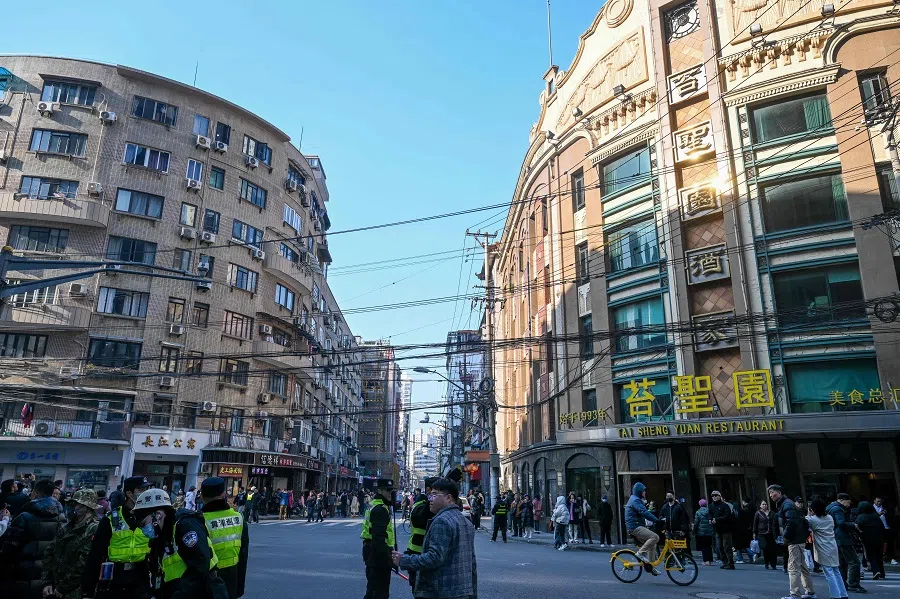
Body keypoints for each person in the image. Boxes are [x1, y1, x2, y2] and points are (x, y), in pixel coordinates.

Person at [132, 488, 227, 599]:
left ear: (158, 515)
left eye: (144, 524)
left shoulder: (186, 525)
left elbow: (199, 567)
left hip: (205, 591)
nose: (144, 529)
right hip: (180, 590)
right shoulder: (162, 536)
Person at [393, 478, 476, 599]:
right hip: (463, 592)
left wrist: (403, 560)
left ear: (448, 498)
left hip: (441, 591)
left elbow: (434, 558)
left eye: (434, 495)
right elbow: (472, 564)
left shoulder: (441, 521)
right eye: (430, 495)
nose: (430, 499)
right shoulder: (465, 522)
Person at [82, 475, 153, 599]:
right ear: (130, 493)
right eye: (142, 490)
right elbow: (95, 554)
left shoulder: (152, 518)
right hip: (114, 580)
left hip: (140, 579)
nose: (146, 493)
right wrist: (88, 589)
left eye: (147, 489)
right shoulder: (111, 519)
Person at [0, 479, 66, 599]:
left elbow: (9, 548)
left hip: (23, 572)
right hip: (48, 574)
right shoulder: (62, 517)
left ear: (35, 493)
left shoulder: (25, 516)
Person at [41, 489, 99, 599]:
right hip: (54, 588)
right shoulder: (67, 527)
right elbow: (49, 553)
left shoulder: (94, 529)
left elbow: (83, 563)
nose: (72, 506)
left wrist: (63, 587)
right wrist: (47, 582)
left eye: (76, 503)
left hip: (75, 592)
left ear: (87, 507)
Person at [199, 477, 249, 599]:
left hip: (206, 580)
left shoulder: (198, 520)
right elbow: (243, 555)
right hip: (232, 578)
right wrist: (239, 588)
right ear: (223, 494)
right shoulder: (238, 518)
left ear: (201, 496)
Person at [768, 484, 814, 599]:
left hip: (794, 540)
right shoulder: (787, 503)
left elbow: (791, 522)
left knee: (793, 567)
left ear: (778, 492)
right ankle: (810, 591)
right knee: (802, 566)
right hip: (798, 539)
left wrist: (786, 538)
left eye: (772, 492)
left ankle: (795, 594)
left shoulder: (786, 504)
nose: (770, 495)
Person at [807, 497, 849, 599]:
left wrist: (809, 513)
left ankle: (835, 595)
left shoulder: (812, 520)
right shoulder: (829, 517)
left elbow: (805, 521)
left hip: (823, 547)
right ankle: (843, 594)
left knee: (829, 573)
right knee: (836, 571)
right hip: (832, 546)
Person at [360, 479, 395, 599]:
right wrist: (388, 558)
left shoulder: (375, 504)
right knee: (379, 593)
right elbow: (378, 539)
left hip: (371, 552)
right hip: (378, 555)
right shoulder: (380, 509)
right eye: (387, 490)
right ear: (379, 490)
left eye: (391, 490)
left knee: (372, 590)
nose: (390, 493)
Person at [827, 492, 865, 593]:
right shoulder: (837, 509)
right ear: (842, 500)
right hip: (842, 538)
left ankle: (842, 583)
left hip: (836, 537)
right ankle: (853, 584)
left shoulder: (831, 507)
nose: (849, 505)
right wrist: (853, 525)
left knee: (842, 562)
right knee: (854, 562)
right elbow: (841, 523)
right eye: (848, 502)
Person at [405, 477, 437, 590]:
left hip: (429, 554)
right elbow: (426, 513)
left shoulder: (433, 506)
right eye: (436, 491)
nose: (437, 495)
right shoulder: (420, 506)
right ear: (428, 490)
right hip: (417, 553)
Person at [625, 482, 661, 573]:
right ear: (639, 492)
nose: (645, 493)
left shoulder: (635, 499)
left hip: (635, 525)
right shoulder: (635, 500)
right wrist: (656, 520)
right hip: (634, 526)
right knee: (655, 537)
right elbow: (644, 512)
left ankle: (650, 566)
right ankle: (640, 553)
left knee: (652, 543)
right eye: (644, 491)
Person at [856, 500, 886, 580]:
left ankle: (876, 571)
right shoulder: (876, 516)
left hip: (867, 538)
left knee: (871, 555)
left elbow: (857, 528)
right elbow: (882, 527)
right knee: (879, 555)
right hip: (879, 538)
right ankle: (882, 573)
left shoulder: (860, 517)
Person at [709, 490, 736, 570]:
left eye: (716, 495)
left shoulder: (725, 505)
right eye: (713, 496)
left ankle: (730, 563)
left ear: (720, 496)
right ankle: (725, 562)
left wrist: (717, 519)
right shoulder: (711, 506)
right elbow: (710, 514)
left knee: (726, 546)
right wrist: (710, 519)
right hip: (717, 529)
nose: (714, 497)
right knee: (720, 546)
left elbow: (728, 516)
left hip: (726, 529)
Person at [754, 499, 778, 570]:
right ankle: (766, 563)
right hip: (762, 533)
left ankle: (773, 564)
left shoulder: (772, 513)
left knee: (773, 549)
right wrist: (754, 533)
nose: (764, 505)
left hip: (771, 533)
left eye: (765, 504)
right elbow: (755, 524)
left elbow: (775, 523)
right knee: (765, 548)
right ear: (760, 505)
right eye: (763, 504)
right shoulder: (758, 513)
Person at [873, 497, 893, 566]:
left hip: (886, 527)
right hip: (876, 529)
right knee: (878, 543)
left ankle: (887, 557)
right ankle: (879, 558)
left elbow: (890, 516)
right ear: (874, 501)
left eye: (880, 501)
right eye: (878, 501)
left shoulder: (885, 508)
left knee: (887, 543)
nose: (879, 503)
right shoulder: (871, 508)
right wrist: (880, 513)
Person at [694, 499, 715, 565]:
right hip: (709, 531)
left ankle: (706, 561)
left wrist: (694, 530)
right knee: (709, 546)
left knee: (704, 546)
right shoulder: (709, 511)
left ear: (700, 504)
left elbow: (696, 522)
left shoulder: (698, 512)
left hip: (701, 532)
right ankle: (710, 560)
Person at [735, 499, 755, 564]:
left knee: (739, 546)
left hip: (739, 531)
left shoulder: (738, 513)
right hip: (747, 530)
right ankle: (751, 557)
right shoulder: (746, 511)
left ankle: (740, 559)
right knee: (747, 545)